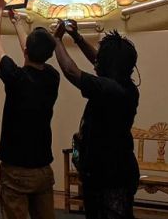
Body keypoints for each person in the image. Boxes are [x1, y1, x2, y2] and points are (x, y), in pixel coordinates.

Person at [53, 20, 139, 219]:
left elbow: (71, 72)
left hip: (109, 174)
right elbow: (99, 62)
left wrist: (57, 40)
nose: (96, 62)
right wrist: (77, 38)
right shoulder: (125, 85)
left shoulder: (110, 89)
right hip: (113, 170)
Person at [0, 0, 60, 219]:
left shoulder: (15, 77)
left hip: (15, 170)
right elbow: (29, 51)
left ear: (27, 50)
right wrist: (18, 22)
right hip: (43, 169)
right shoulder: (52, 77)